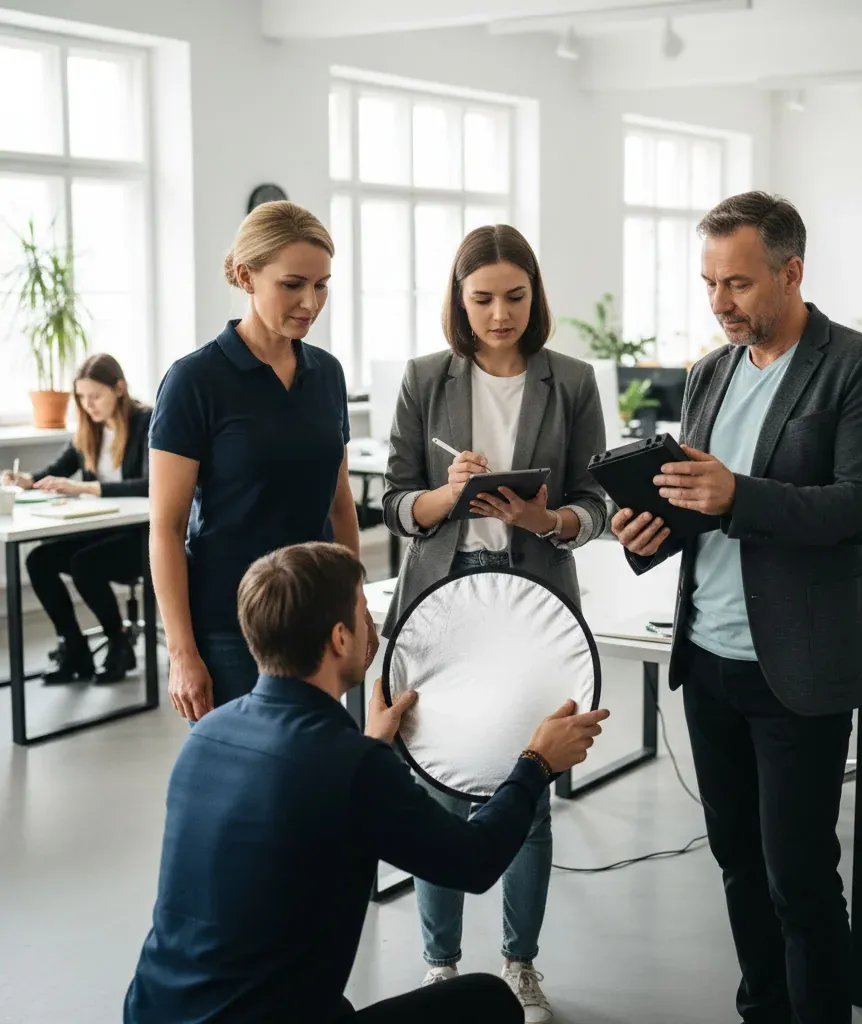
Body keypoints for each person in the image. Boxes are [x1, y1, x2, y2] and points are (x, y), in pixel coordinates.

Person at [611, 192, 862, 1024]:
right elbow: (696, 505)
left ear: (792, 272)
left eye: (737, 284)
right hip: (707, 656)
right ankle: (763, 1011)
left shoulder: (859, 366)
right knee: (738, 862)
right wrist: (651, 530)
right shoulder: (709, 371)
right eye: (709, 283)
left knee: (801, 880)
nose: (719, 303)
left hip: (798, 667)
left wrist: (738, 493)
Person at [123, 541, 610, 1024]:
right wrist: (535, 763)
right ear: (339, 639)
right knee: (488, 1000)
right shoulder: (351, 765)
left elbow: (314, 794)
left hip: (152, 1011)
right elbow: (475, 862)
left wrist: (374, 741)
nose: (373, 628)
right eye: (363, 615)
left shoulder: (208, 734)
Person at [381, 224, 608, 1021]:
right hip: (442, 606)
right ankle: (441, 968)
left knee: (529, 791)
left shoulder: (572, 380)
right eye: (482, 299)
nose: (500, 314)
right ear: (459, 298)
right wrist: (446, 496)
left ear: (535, 296)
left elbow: (598, 501)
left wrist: (551, 520)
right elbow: (396, 503)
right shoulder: (423, 379)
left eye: (515, 297)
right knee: (439, 792)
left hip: (534, 605)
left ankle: (520, 963)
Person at [147, 200, 375, 722]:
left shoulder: (328, 374)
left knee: (315, 779)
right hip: (230, 629)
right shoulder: (194, 381)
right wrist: (182, 653)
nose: (310, 302)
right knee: (247, 790)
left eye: (321, 285)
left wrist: (355, 605)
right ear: (247, 277)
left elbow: (340, 503)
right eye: (293, 284)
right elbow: (166, 528)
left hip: (318, 621)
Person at [2, 354, 150, 684]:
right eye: (81, 398)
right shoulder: (90, 430)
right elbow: (55, 472)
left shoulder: (146, 422)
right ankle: (75, 647)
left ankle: (118, 640)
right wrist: (26, 480)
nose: (88, 405)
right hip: (102, 531)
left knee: (85, 564)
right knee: (39, 559)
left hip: (139, 537)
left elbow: (150, 483)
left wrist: (86, 487)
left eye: (95, 396)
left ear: (120, 389)